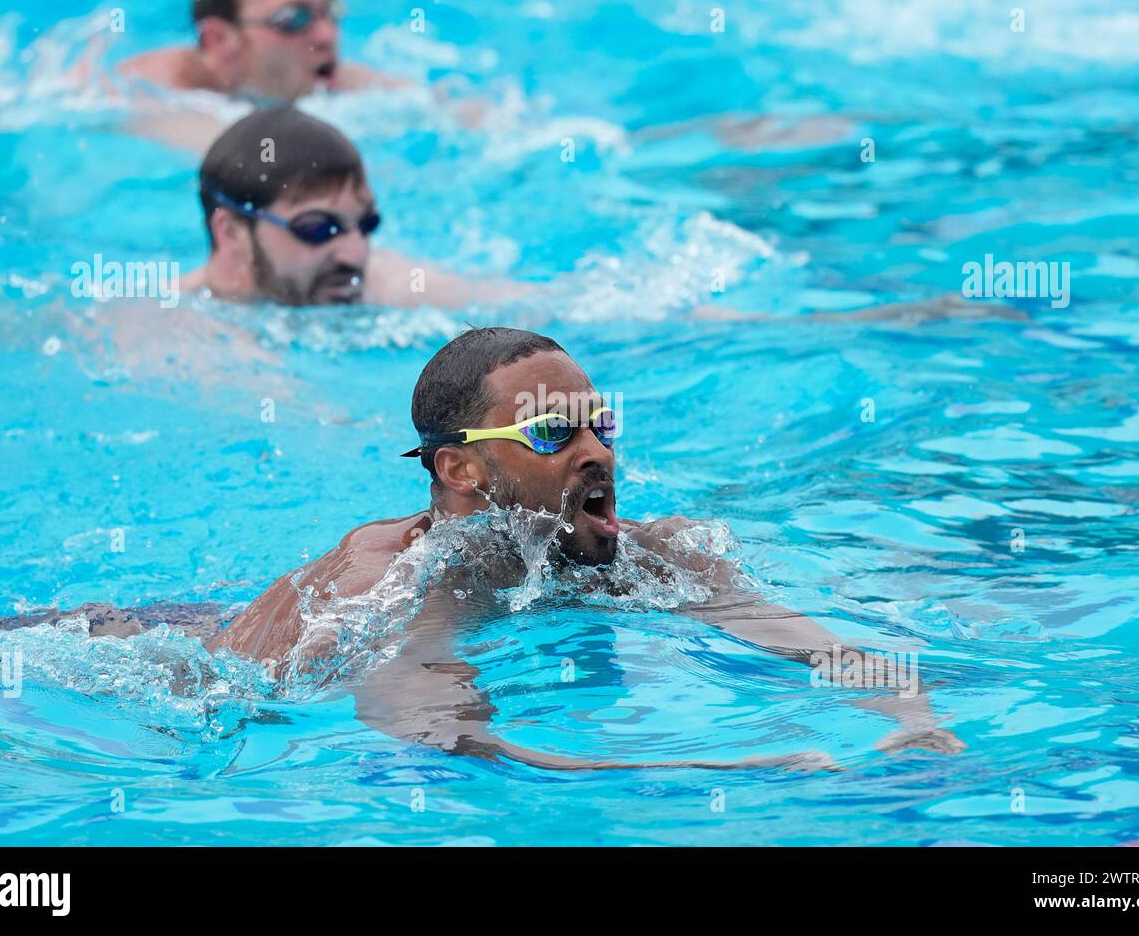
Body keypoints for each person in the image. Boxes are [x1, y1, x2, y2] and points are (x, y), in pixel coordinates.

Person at [207, 327, 965, 769]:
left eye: (601, 425)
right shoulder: (422, 580)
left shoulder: (653, 552)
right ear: (460, 468)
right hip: (195, 675)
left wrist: (911, 715)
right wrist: (727, 769)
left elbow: (814, 646)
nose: (595, 450)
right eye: (551, 432)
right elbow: (437, 731)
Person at [180, 105, 511, 307]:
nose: (355, 254)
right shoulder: (171, 317)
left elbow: (538, 307)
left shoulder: (388, 286)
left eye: (367, 225)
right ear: (232, 233)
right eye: (317, 228)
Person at [120, 0, 405, 102]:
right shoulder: (143, 92)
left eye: (331, 11)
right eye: (293, 20)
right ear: (219, 41)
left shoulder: (346, 84)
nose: (326, 36)